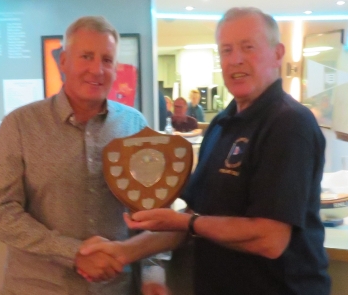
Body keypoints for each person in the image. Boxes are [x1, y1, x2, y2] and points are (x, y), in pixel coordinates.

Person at [79, 7, 331, 295]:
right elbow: (194, 217)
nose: (235, 59)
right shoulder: (223, 123)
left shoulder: (289, 123)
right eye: (226, 50)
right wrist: (123, 251)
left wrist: (187, 222)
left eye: (248, 47)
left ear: (277, 53)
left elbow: (270, 239)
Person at [0, 15, 163, 295]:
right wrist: (73, 252)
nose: (97, 69)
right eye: (86, 56)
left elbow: (148, 212)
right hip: (40, 288)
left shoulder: (134, 125)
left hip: (116, 288)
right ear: (63, 62)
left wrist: (152, 273)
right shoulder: (19, 125)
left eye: (107, 60)